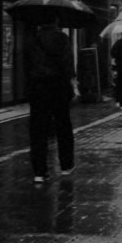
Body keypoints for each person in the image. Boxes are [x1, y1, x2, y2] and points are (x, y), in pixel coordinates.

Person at [25, 18, 75, 184]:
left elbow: (26, 64)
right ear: (56, 22)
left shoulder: (32, 39)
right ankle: (66, 165)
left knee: (38, 129)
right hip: (59, 86)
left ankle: (39, 172)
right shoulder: (62, 38)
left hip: (38, 88)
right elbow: (68, 64)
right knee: (63, 125)